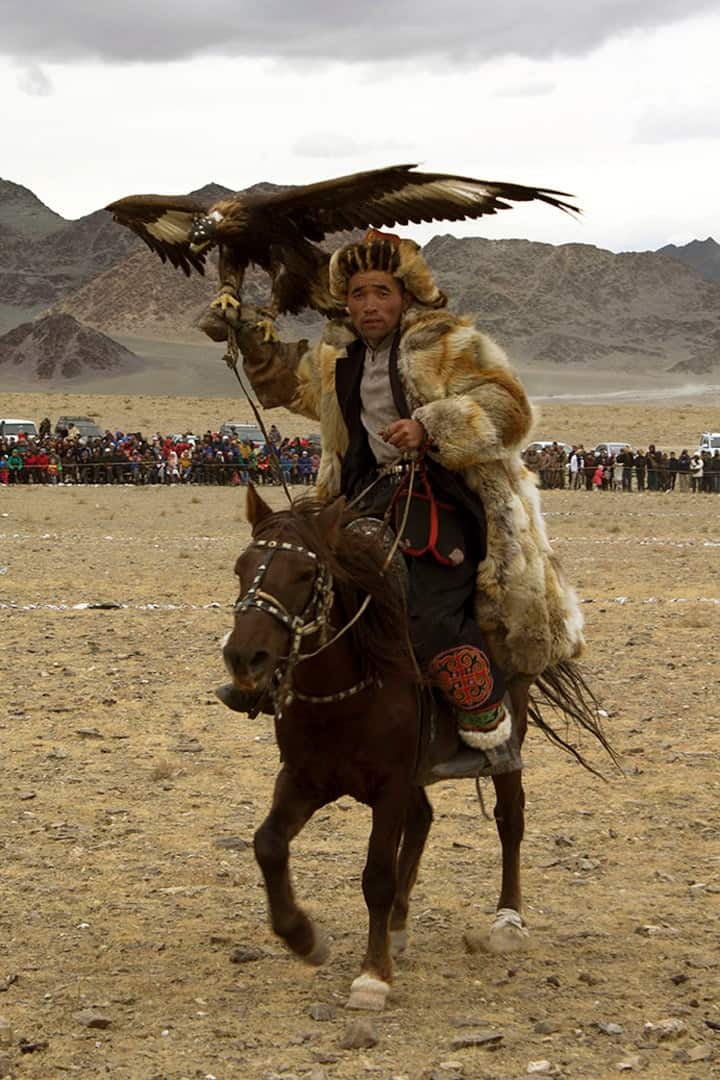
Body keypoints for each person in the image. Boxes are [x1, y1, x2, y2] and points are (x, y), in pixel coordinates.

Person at [204, 230, 585, 775]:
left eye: (381, 291)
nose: (369, 305)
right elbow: (297, 389)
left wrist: (432, 426)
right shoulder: (340, 356)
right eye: (358, 294)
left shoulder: (450, 344)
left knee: (426, 598)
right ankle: (263, 676)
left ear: (405, 294)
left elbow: (509, 408)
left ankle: (486, 724)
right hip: (363, 495)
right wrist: (248, 339)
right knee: (295, 567)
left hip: (448, 495)